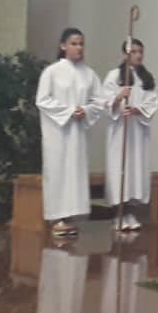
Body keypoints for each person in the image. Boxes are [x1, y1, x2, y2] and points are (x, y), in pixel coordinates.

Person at [36, 27, 104, 236]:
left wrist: (86, 110)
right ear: (63, 46)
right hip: (58, 132)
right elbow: (42, 100)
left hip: (78, 133)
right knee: (58, 171)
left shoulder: (89, 74)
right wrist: (68, 111)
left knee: (75, 172)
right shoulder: (52, 72)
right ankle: (57, 217)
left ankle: (72, 216)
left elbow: (99, 101)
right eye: (74, 43)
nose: (79, 48)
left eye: (81, 44)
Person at [102, 38, 158, 232]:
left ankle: (130, 212)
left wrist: (138, 110)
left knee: (135, 170)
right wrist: (119, 98)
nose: (138, 55)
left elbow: (152, 102)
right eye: (134, 52)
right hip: (120, 131)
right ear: (125, 54)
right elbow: (105, 101)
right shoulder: (115, 76)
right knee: (120, 169)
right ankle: (119, 213)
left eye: (140, 52)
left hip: (138, 131)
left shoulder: (145, 78)